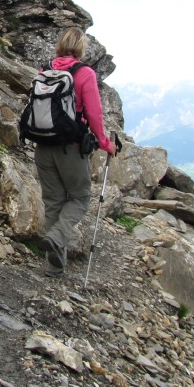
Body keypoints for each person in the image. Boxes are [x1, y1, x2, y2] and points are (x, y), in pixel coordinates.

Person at [35, 27, 117, 277]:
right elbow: (93, 113)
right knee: (81, 198)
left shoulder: (44, 70)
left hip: (42, 145)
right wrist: (105, 143)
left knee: (53, 202)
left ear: (60, 44)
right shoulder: (84, 73)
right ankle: (57, 236)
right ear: (81, 47)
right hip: (70, 148)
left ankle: (54, 264)